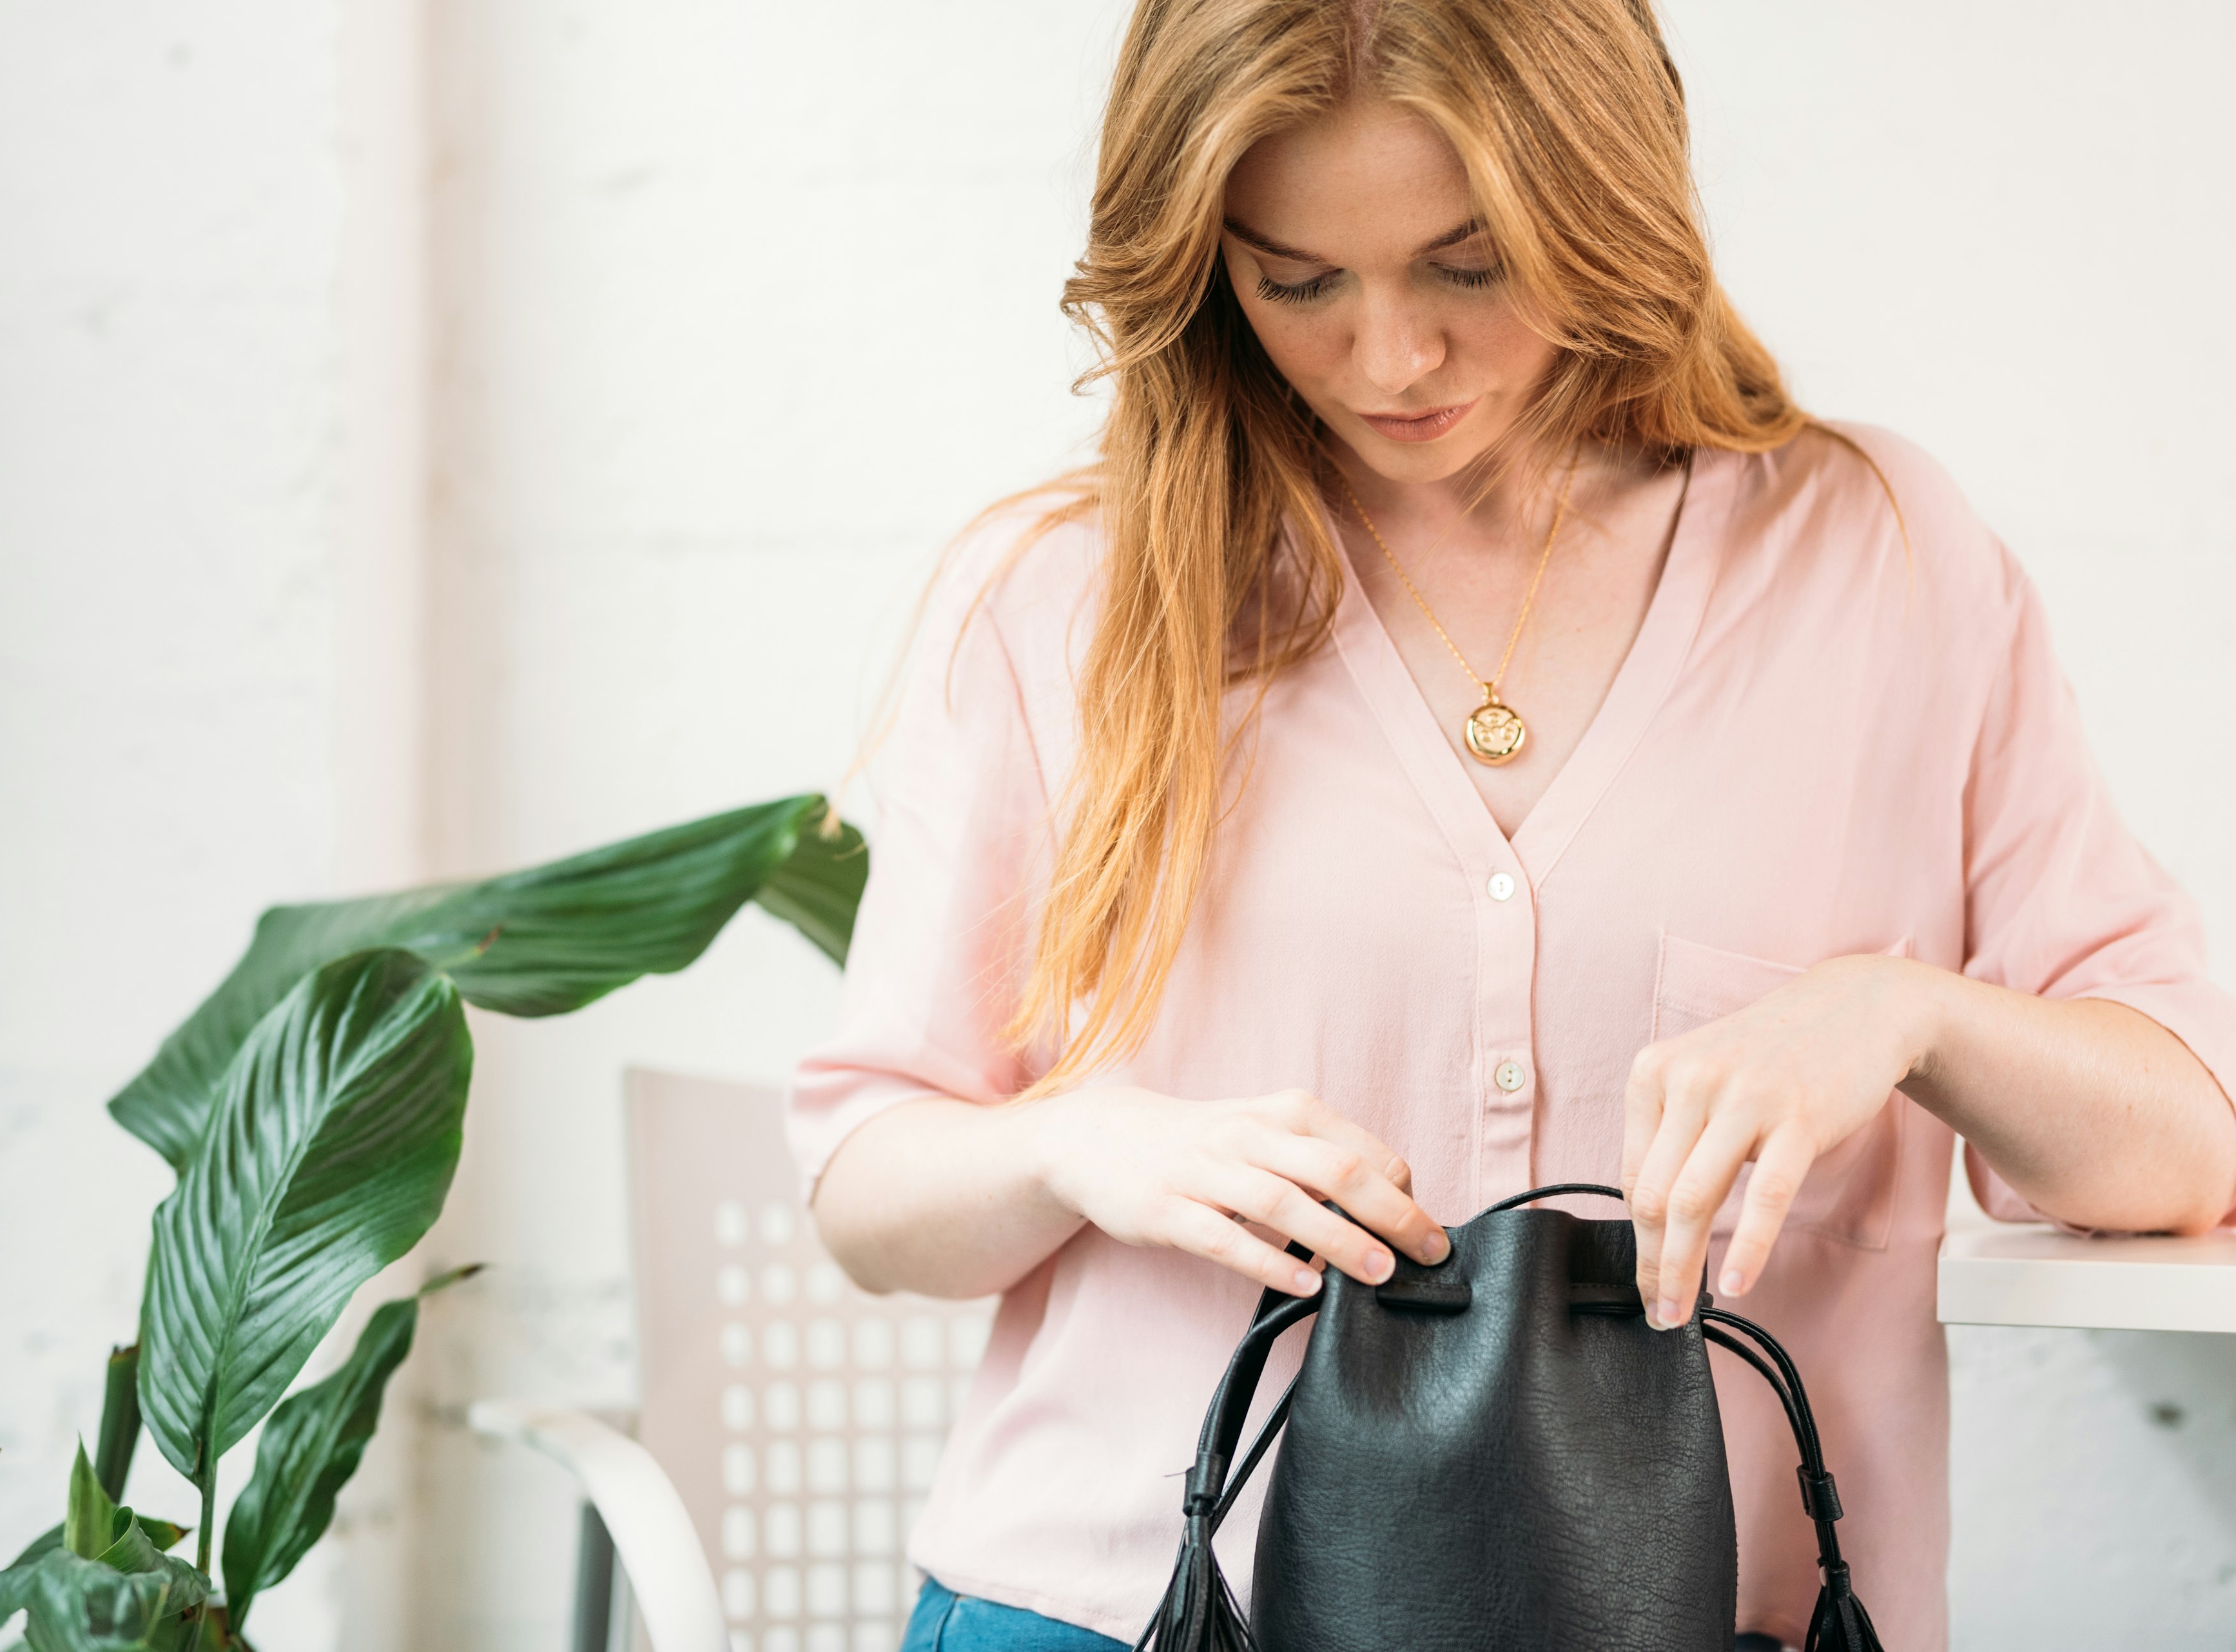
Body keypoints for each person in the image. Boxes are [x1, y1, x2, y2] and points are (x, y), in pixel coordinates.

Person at [788, 3, 2236, 1648]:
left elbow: (2190, 1151)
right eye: (1296, 279)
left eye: (1469, 266)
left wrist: (1901, 1011)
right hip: (1129, 1605)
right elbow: (867, 1186)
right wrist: (1077, 1140)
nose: (1389, 359)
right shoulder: (1067, 597)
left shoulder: (1881, 562)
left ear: (1606, 203)